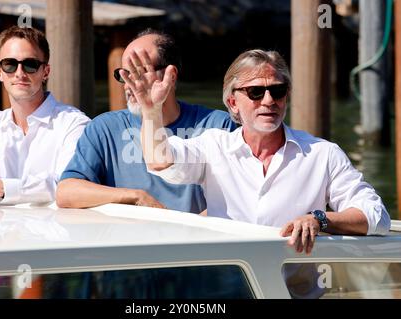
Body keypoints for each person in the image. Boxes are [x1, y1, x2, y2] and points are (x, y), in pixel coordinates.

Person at [129, 48, 391, 255]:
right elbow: (160, 161)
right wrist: (152, 111)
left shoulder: (323, 154)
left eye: (277, 91)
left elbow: (376, 216)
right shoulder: (213, 146)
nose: (268, 101)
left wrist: (320, 219)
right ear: (233, 102)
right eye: (255, 92)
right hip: (230, 288)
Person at [56, 29, 236, 213]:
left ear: (171, 76)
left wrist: (187, 230)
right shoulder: (104, 128)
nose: (128, 84)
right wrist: (135, 197)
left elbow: (235, 197)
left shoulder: (218, 126)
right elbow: (66, 192)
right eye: (124, 74)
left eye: (138, 72)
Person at [0, 26, 90, 207]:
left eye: (30, 64)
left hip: (57, 233)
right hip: (3, 233)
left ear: (45, 72)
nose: (19, 73)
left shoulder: (74, 124)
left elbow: (67, 184)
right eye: (10, 64)